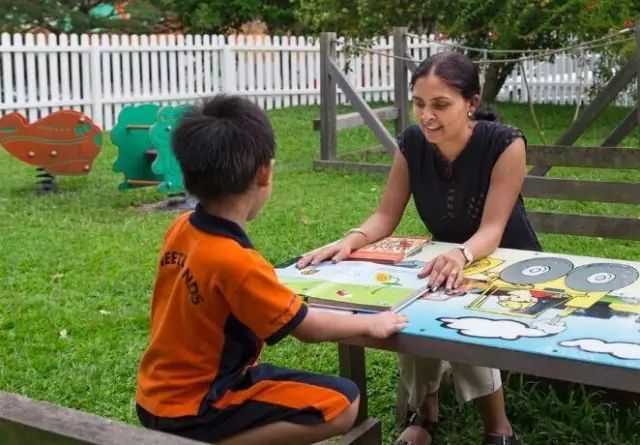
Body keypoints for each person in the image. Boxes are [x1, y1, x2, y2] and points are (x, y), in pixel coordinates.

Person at [298, 51, 542, 445]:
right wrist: (349, 241)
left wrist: (460, 255)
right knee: (408, 304)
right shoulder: (412, 142)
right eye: (419, 104)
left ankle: (498, 428)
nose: (427, 115)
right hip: (445, 259)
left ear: (472, 103)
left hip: (510, 261)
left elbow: (494, 229)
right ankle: (425, 415)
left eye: (441, 105)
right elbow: (385, 217)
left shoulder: (505, 143)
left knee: (460, 311)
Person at [135, 94, 408, 445]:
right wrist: (372, 322)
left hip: (155, 395)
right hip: (202, 406)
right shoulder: (238, 263)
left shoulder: (182, 226)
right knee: (344, 401)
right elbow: (307, 328)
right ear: (265, 172)